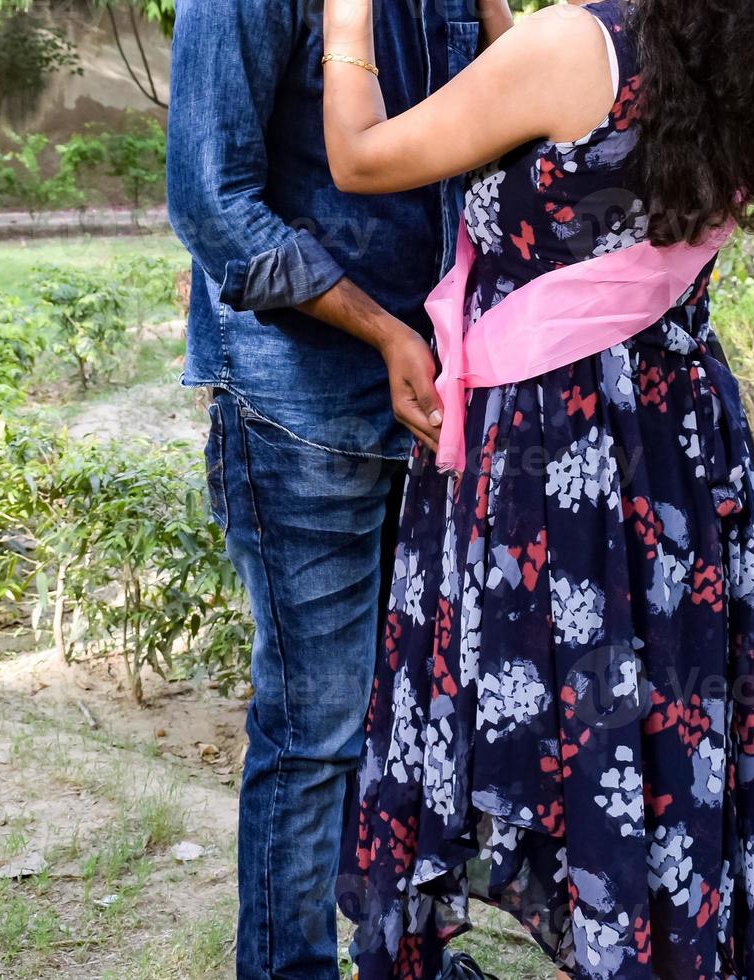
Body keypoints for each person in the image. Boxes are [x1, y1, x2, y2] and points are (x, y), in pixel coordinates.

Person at [321, 0, 754, 976]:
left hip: (555, 469)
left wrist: (348, 21)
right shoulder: (735, 59)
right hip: (674, 452)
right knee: (643, 751)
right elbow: (563, 112)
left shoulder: (573, 48)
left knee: (546, 732)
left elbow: (359, 157)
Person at [165, 1, 513, 977]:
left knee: (417, 713)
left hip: (437, 391)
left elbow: (507, 119)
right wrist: (386, 332)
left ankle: (407, 954)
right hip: (298, 402)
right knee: (315, 730)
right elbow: (211, 204)